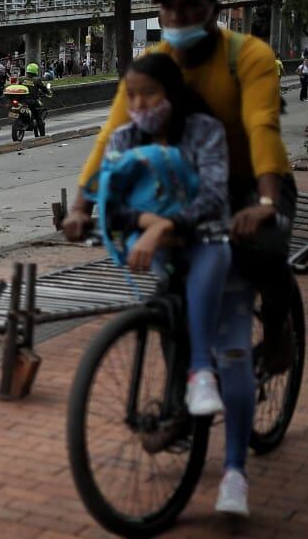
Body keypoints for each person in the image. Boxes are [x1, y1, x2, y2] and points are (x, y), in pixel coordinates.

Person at [63, 0, 297, 519]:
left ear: (211, 12)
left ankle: (282, 327)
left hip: (251, 182)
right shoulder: (156, 71)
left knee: (262, 252)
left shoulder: (248, 56)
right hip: (183, 188)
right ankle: (182, 398)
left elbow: (262, 128)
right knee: (174, 292)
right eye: (168, 7)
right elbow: (112, 136)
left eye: (190, 8)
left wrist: (263, 205)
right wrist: (81, 203)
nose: (177, 17)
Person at [93, 54, 233, 417]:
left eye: (148, 95)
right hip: (158, 248)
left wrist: (165, 226)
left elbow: (214, 197)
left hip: (206, 239)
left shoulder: (205, 131)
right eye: (131, 96)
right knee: (169, 313)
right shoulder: (123, 139)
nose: (138, 106)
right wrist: (148, 223)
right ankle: (178, 406)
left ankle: (202, 373)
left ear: (171, 92)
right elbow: (109, 203)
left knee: (203, 288)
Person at [20, 62, 54, 132]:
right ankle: (42, 134)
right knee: (38, 117)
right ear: (35, 71)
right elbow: (44, 89)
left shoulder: (21, 79)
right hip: (32, 101)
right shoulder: (37, 80)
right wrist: (49, 92)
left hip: (21, 100)